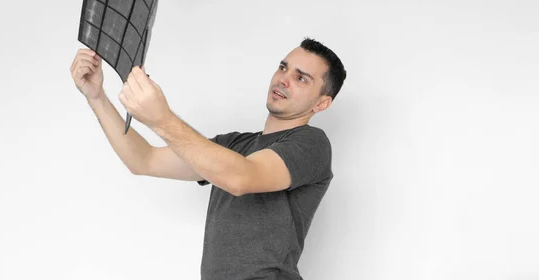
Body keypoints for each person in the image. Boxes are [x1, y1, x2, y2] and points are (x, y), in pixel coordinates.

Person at [70, 37, 346, 280]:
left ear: (321, 103)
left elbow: (241, 178)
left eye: (301, 78)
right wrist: (96, 96)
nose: (283, 79)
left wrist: (162, 120)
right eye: (283, 67)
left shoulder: (312, 144)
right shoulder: (233, 146)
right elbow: (144, 160)